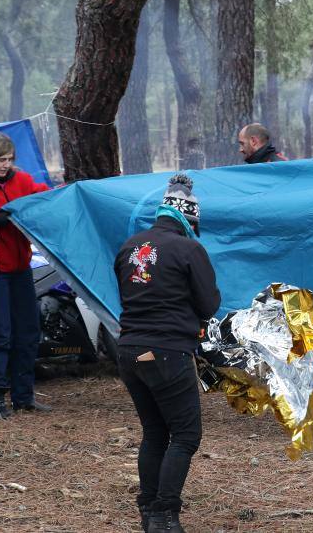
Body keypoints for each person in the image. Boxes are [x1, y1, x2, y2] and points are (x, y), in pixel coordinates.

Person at [114, 174, 221, 532]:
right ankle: (164, 514)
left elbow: (132, 298)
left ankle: (148, 509)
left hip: (129, 350)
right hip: (166, 352)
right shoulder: (190, 249)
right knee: (186, 435)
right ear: (189, 220)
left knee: (155, 432)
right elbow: (208, 304)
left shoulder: (129, 246)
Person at [0, 132, 51, 419]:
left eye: (10, 160)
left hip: (21, 269)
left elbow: (44, 194)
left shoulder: (20, 181)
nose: (5, 165)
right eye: (0, 160)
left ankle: (24, 396)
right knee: (0, 334)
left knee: (28, 331)